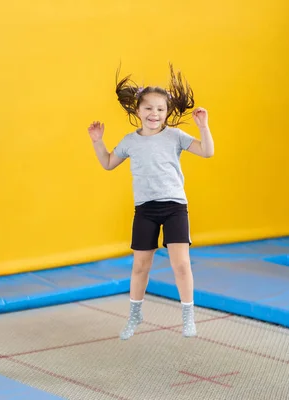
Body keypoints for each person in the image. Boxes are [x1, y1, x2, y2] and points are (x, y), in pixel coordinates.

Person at [87, 64, 215, 340]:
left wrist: (203, 127)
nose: (154, 114)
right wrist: (98, 142)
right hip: (145, 210)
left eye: (159, 109)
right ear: (138, 111)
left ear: (166, 113)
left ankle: (188, 316)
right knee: (140, 265)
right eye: (148, 108)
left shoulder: (175, 137)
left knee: (181, 264)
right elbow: (109, 163)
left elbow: (207, 151)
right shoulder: (130, 141)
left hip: (174, 208)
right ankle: (135, 315)